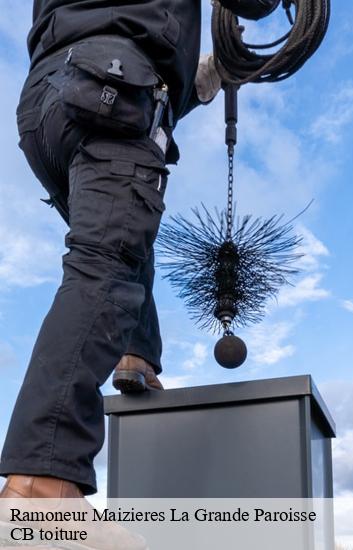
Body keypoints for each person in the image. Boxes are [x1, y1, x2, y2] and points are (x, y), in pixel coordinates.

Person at [0, 0, 223, 508]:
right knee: (106, 262)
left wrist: (195, 81)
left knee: (121, 238)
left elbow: (114, 21)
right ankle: (40, 488)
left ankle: (136, 354)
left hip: (45, 107)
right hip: (111, 89)